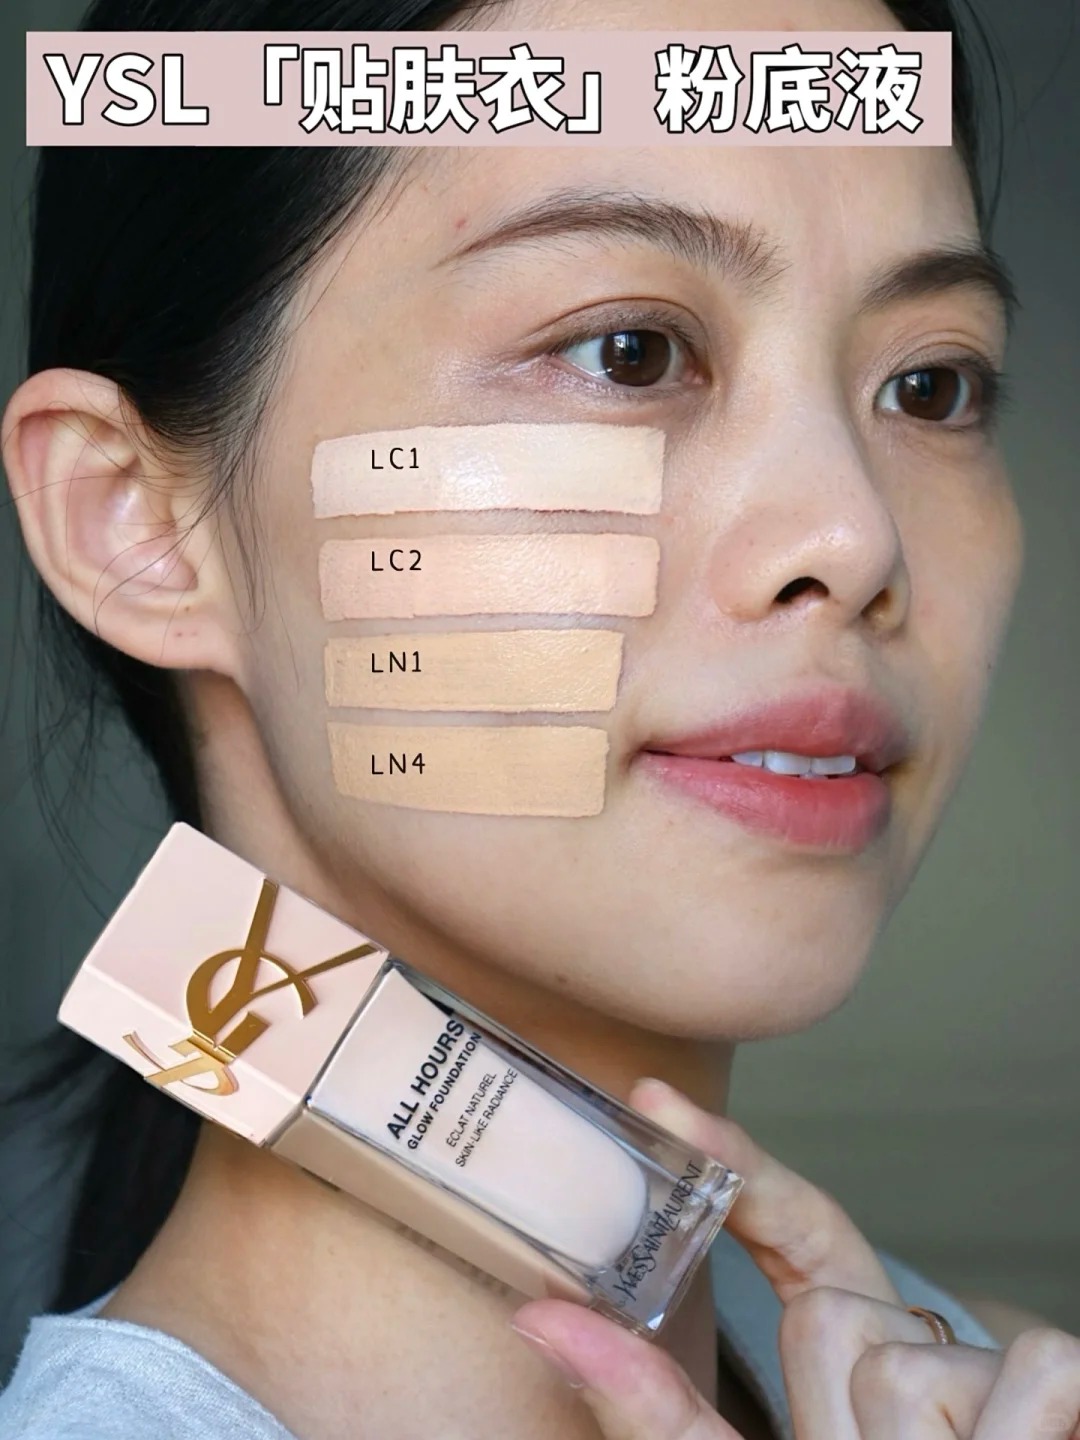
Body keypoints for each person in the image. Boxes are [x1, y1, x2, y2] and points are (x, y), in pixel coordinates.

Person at [1, 0, 1075, 1435]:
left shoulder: (994, 1387)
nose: (854, 533)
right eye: (630, 352)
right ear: (138, 523)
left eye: (930, 385)